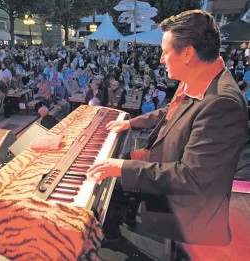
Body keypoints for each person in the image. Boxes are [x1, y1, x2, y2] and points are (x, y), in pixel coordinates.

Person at [87, 9, 248, 248]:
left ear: (187, 54)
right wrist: (131, 122)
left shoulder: (222, 103)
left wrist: (122, 168)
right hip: (163, 157)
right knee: (120, 171)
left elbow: (191, 177)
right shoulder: (200, 77)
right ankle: (120, 222)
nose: (161, 59)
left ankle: (113, 236)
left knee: (114, 181)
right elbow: (169, 113)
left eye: (165, 52)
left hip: (188, 212)